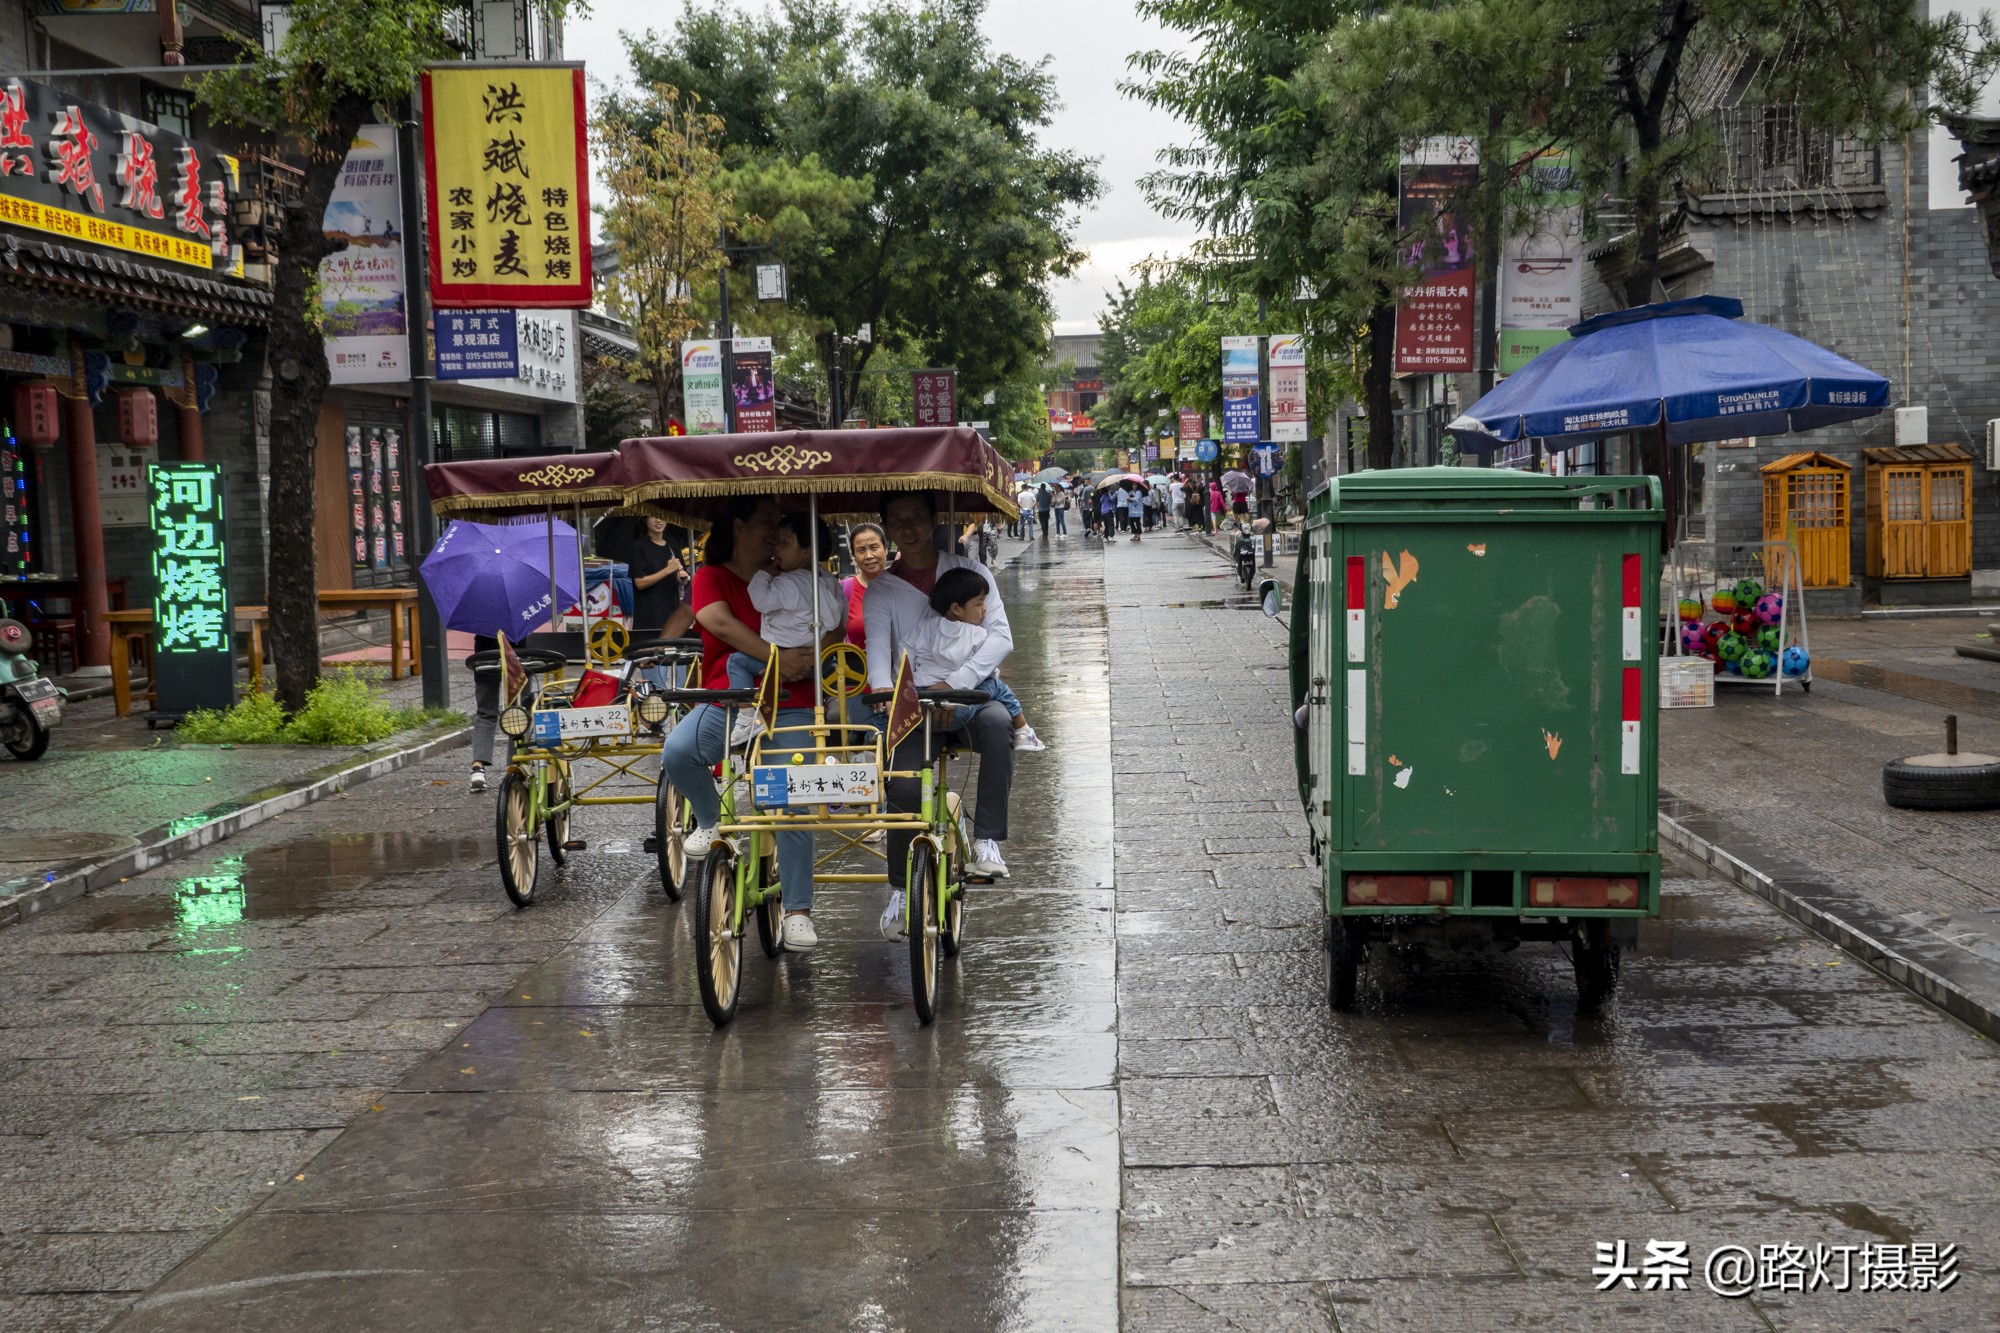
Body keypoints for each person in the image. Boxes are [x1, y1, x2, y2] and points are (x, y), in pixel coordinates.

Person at [658, 497, 833, 951]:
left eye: (781, 526)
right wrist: (775, 656)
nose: (776, 533)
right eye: (766, 523)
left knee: (787, 793)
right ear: (737, 527)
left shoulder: (797, 572)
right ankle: (713, 821)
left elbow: (834, 623)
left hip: (793, 701)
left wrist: (808, 658)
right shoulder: (711, 576)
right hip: (730, 700)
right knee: (677, 752)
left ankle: (797, 910)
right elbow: (716, 620)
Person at [864, 491, 1017, 937]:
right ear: (887, 526)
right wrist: (885, 694)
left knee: (999, 725)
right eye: (897, 519)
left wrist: (957, 686)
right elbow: (878, 652)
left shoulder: (970, 572)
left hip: (970, 699)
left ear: (933, 520)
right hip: (914, 705)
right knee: (903, 785)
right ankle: (898, 889)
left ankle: (987, 840)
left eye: (916, 517)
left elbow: (999, 638)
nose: (908, 527)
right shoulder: (882, 590)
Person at [725, 511, 845, 744]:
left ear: (807, 551)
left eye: (785, 543)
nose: (776, 549)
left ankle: (747, 715)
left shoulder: (787, 582)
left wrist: (764, 574)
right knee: (833, 665)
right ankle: (833, 700)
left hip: (783, 655)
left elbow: (761, 600)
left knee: (736, 662)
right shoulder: (827, 579)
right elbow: (838, 618)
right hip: (820, 661)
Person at [917, 567, 1044, 749]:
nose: (985, 609)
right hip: (956, 712)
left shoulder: (925, 628)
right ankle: (1023, 727)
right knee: (994, 684)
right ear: (956, 608)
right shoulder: (977, 634)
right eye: (979, 604)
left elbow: (906, 651)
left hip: (921, 711)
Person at [842, 522, 890, 649]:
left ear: (886, 549)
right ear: (854, 555)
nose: (869, 556)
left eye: (874, 547)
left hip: (899, 666)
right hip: (856, 666)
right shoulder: (844, 589)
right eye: (861, 550)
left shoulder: (903, 587)